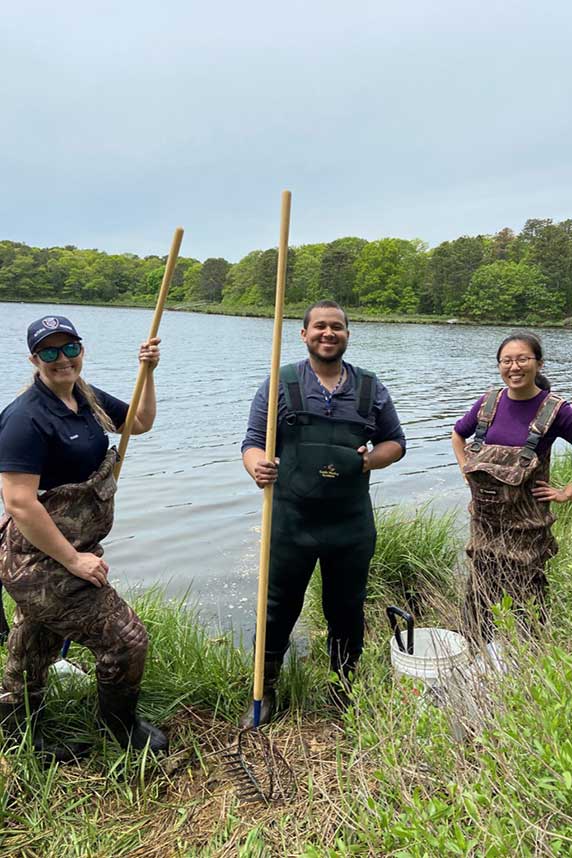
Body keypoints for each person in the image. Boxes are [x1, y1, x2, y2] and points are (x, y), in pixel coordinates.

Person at [0, 314, 168, 759]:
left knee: (34, 646)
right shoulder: (24, 418)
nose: (63, 359)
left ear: (81, 349)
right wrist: (75, 562)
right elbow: (19, 502)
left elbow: (138, 423)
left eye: (69, 348)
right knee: (126, 640)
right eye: (50, 352)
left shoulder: (84, 396)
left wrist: (147, 373)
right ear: (35, 359)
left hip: (69, 550)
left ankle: (19, 737)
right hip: (38, 562)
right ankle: (121, 729)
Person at [240, 300, 406, 726]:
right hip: (290, 521)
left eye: (337, 327)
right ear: (304, 334)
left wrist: (370, 461)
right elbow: (253, 441)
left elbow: (396, 443)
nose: (328, 333)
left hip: (350, 524)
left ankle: (342, 688)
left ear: (348, 334)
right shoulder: (281, 381)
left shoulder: (370, 388)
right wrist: (257, 464)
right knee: (277, 608)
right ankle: (264, 690)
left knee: (346, 609)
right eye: (319, 327)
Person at [452, 331, 572, 647]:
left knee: (527, 603)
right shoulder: (488, 403)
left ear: (539, 363)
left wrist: (565, 492)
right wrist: (465, 467)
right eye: (507, 360)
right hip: (483, 525)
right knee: (477, 595)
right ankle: (473, 655)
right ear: (500, 365)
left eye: (522, 359)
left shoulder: (555, 410)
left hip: (527, 529)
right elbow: (457, 433)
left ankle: (527, 664)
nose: (514, 367)